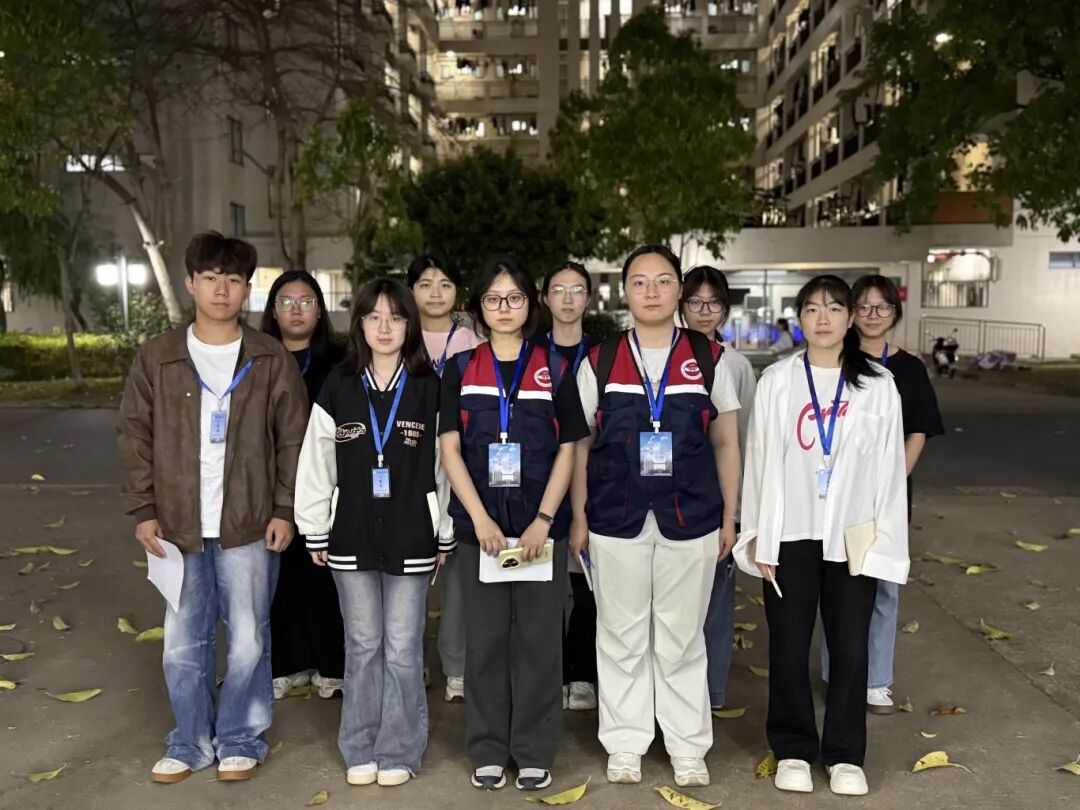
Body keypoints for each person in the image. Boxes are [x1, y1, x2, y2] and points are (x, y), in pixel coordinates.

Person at [117, 231, 308, 784]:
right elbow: (134, 435)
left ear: (247, 289)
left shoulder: (269, 358)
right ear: (190, 284)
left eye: (233, 280)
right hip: (177, 525)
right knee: (182, 643)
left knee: (248, 639)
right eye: (210, 278)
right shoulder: (158, 357)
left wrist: (284, 509)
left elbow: (293, 440)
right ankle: (190, 742)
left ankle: (241, 738)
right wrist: (143, 508)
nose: (221, 289)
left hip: (249, 524)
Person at [571, 245, 742, 789]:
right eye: (640, 282)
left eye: (663, 281)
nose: (651, 291)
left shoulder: (708, 358)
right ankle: (625, 742)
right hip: (614, 516)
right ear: (625, 292)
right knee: (620, 634)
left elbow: (726, 442)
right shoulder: (600, 360)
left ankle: (688, 746)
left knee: (682, 636)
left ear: (678, 290)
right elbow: (579, 444)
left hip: (692, 516)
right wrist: (578, 516)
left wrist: (730, 517)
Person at [734, 274, 909, 797]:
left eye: (835, 308)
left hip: (853, 537)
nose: (824, 318)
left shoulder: (877, 385)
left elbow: (889, 470)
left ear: (851, 318)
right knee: (788, 646)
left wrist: (885, 544)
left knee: (850, 648)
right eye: (812, 309)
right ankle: (792, 748)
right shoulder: (778, 381)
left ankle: (845, 754)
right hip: (791, 533)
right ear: (800, 320)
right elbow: (759, 462)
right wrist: (760, 536)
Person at [439, 255, 589, 791]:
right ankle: (486, 747)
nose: (504, 308)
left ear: (531, 303)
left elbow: (569, 447)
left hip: (539, 532)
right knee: (484, 643)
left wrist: (544, 519)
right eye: (493, 299)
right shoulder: (461, 368)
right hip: (480, 532)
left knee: (539, 643)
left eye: (515, 298)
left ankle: (533, 749)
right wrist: (479, 519)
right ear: (478, 306)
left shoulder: (556, 367)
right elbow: (450, 448)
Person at [295, 277, 444, 788]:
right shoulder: (338, 385)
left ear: (409, 325)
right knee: (362, 645)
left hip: (412, 534)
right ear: (359, 324)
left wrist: (444, 530)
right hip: (351, 534)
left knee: (402, 648)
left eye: (396, 318)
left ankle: (399, 749)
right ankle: (359, 745)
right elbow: (316, 461)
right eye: (374, 317)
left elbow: (445, 466)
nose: (385, 328)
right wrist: (314, 527)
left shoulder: (428, 387)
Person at [820, 274, 944, 713]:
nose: (873, 315)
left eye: (883, 307)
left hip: (888, 497)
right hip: (837, 496)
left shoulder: (909, 368)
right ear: (851, 312)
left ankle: (876, 680)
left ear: (895, 313)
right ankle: (837, 674)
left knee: (884, 586)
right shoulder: (834, 361)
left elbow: (918, 431)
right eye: (864, 307)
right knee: (838, 587)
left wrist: (890, 483)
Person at [260, 270, 346, 701]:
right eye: (287, 302)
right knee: (281, 578)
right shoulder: (256, 358)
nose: (296, 310)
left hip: (327, 482)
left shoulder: (341, 361)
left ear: (319, 310)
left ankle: (332, 665)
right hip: (271, 482)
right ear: (273, 310)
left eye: (306, 301)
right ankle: (287, 663)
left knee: (325, 574)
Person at [679, 265, 757, 711]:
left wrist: (738, 511)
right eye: (695, 301)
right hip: (674, 501)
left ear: (725, 309)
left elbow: (743, 440)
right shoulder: (665, 357)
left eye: (713, 303)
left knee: (715, 601)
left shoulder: (737, 366)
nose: (704, 311)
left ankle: (710, 692)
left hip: (719, 503)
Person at [407, 253, 483, 704]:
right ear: (411, 291)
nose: (435, 293)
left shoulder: (474, 343)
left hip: (462, 464)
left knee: (459, 571)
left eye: (445, 284)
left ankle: (457, 664)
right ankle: (411, 661)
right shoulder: (399, 335)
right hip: (408, 467)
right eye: (425, 284)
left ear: (458, 292)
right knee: (410, 570)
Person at [542, 261, 600, 713]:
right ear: (544, 298)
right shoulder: (528, 354)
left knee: (586, 587)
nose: (567, 299)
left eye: (576, 290)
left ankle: (580, 671)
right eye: (558, 290)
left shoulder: (603, 355)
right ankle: (547, 674)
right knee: (541, 588)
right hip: (539, 482)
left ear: (588, 298)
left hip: (592, 481)